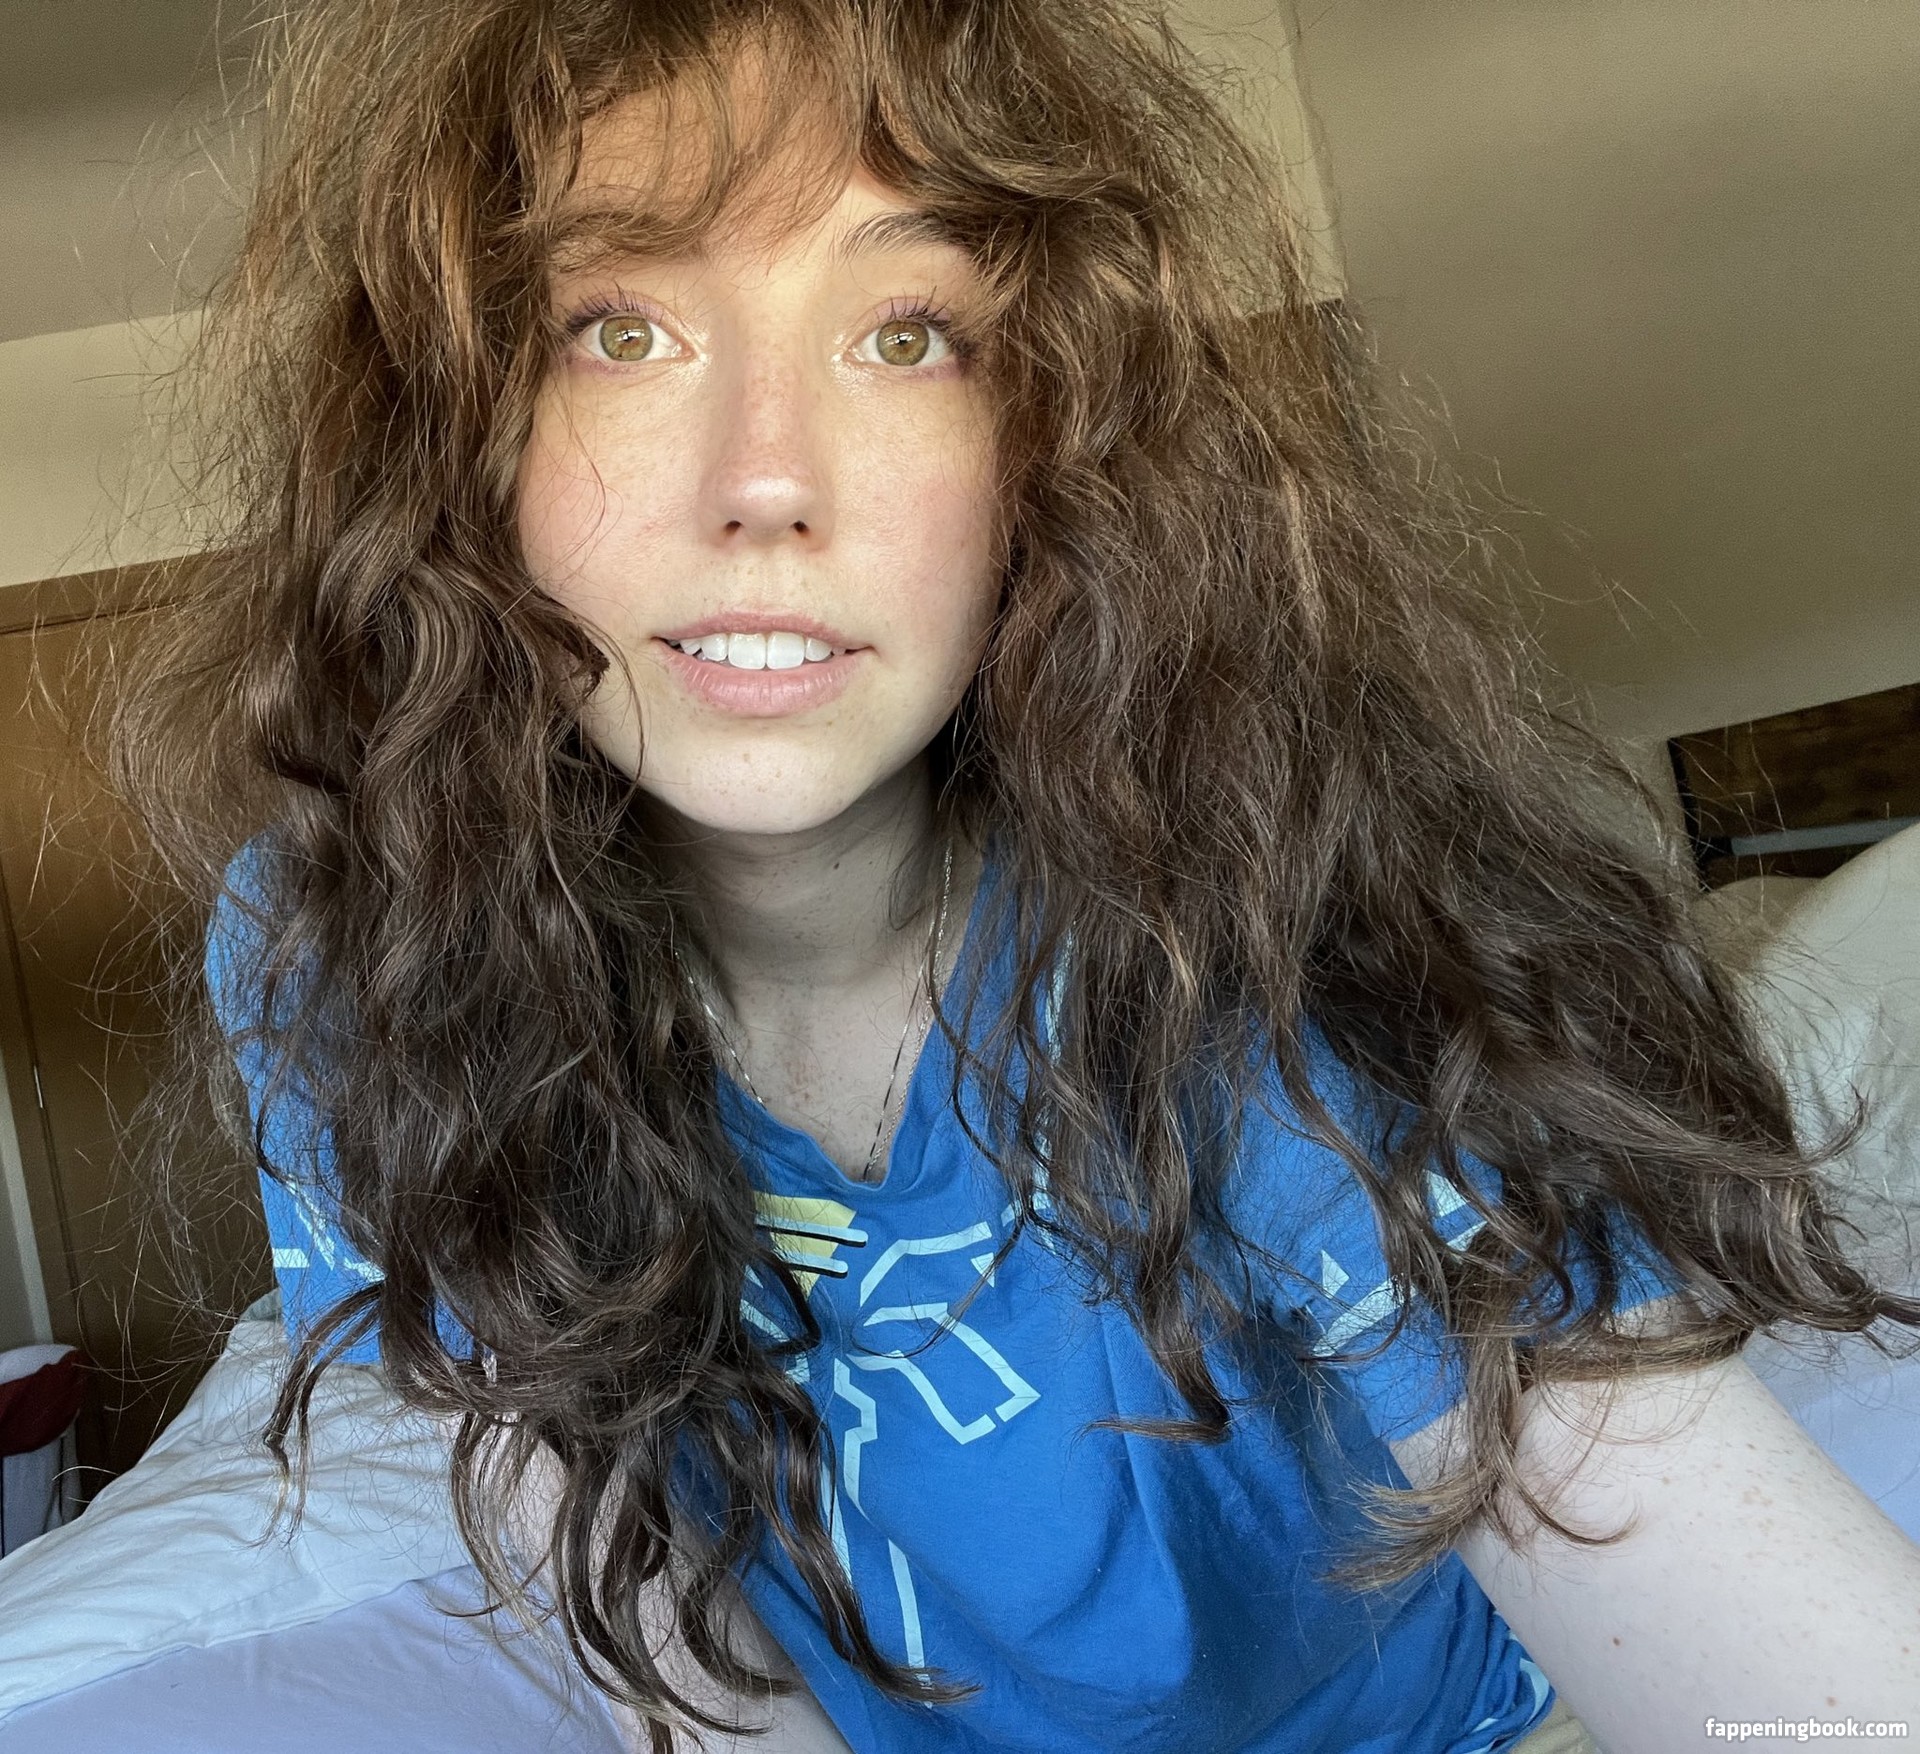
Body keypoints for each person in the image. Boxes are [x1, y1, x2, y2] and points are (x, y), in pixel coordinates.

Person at [120, 2, 1920, 1750]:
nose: (767, 481)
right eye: (618, 327)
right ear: (461, 442)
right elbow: (651, 1620)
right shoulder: (342, 962)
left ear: (1047, 447)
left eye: (908, 334)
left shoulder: (1263, 921)